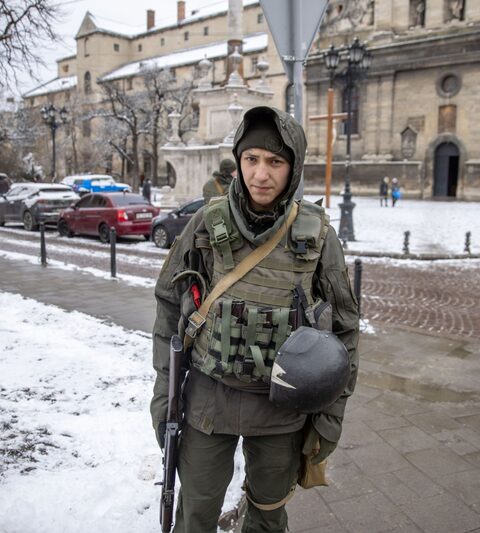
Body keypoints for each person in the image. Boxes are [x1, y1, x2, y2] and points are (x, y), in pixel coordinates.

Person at [151, 106, 360, 532]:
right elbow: (168, 305)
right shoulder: (206, 224)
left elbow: (345, 330)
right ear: (239, 161)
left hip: (283, 410)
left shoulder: (317, 236)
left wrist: (330, 417)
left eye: (275, 162)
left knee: (268, 518)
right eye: (251, 159)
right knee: (196, 514)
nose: (261, 174)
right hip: (210, 400)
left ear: (292, 167)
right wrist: (163, 395)